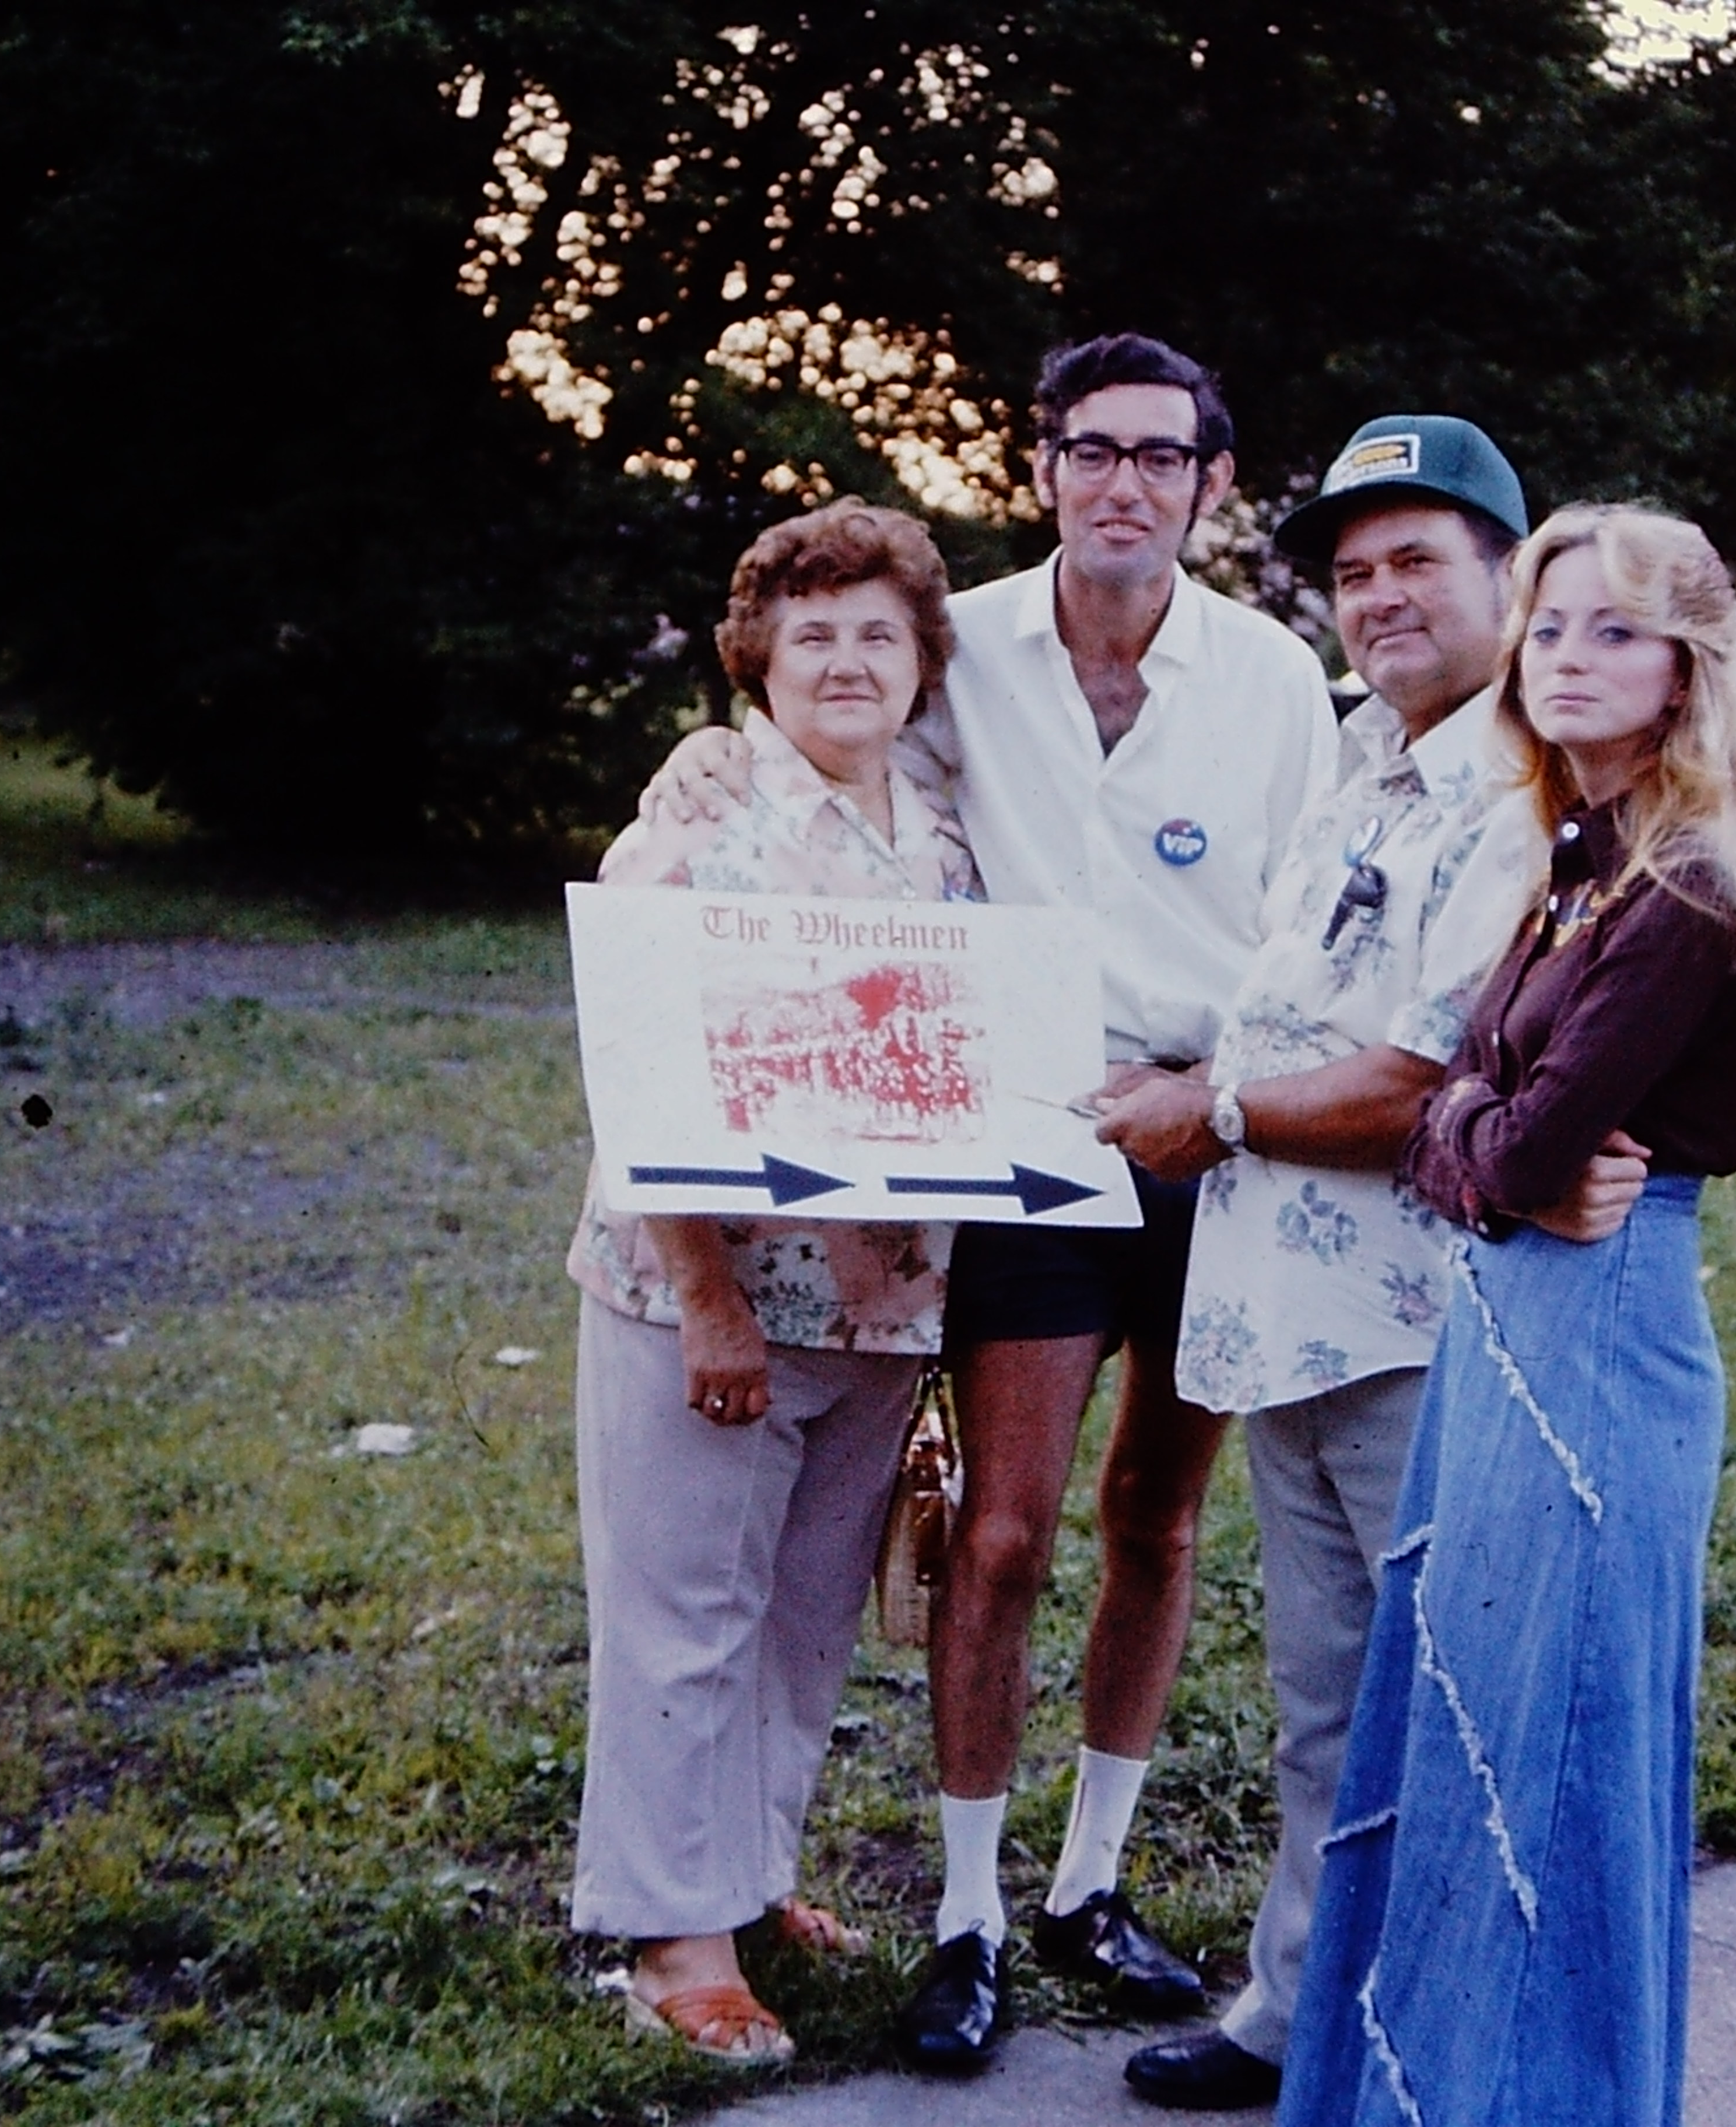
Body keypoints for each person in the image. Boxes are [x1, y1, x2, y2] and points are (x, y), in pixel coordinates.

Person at [645, 334, 1341, 2071]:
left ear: (1211, 482)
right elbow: (832, 725)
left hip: (1212, 1132)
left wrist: (1227, 1100)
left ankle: (1088, 1886)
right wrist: (714, 761)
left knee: (1159, 1522)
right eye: (1089, 449)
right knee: (1008, 1529)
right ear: (1043, 467)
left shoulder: (1270, 678)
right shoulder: (972, 647)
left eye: (1160, 456)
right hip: (1026, 1141)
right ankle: (966, 1915)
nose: (1123, 482)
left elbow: (1317, 919)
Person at [1089, 415, 1644, 2112]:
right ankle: (1298, 2011)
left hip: (1432, 1328)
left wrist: (1214, 1110)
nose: (1380, 595)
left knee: (1449, 1707)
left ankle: (1427, 2043)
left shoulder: (1526, 790)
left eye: (1419, 559)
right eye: (1351, 569)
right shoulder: (1360, 756)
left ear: (1509, 573)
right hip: (1294, 1321)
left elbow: (1422, 1077)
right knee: (1329, 1698)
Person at [1277, 503, 1736, 2126]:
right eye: (1548, 628)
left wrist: (1481, 1139)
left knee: (1553, 1760)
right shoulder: (1579, 857)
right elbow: (1466, 1114)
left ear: (1687, 670)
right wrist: (1480, 1140)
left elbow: (1510, 1136)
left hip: (1601, 1340)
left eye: (1614, 631)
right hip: (1509, 1320)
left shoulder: (1696, 885)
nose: (1569, 658)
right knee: (1464, 1735)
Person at [564, 498, 980, 2069]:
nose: (851, 660)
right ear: (758, 663)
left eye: (882, 632)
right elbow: (646, 1069)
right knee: (689, 1608)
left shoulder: (936, 841)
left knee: (805, 1615)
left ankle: (746, 1879)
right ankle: (673, 1940)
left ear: (924, 661)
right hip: (713, 1298)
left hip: (878, 1308)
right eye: (815, 635)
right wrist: (709, 1300)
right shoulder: (695, 829)